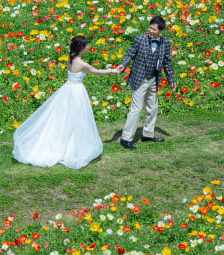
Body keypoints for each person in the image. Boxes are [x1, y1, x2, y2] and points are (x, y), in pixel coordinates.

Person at [12, 35, 119, 169]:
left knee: (64, 117)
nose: (88, 47)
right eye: (86, 45)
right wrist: (113, 71)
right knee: (77, 118)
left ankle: (67, 142)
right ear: (81, 47)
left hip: (67, 89)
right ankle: (72, 147)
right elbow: (96, 71)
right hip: (76, 92)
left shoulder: (71, 59)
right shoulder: (81, 63)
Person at [117, 15, 176, 150]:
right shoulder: (140, 39)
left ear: (160, 31)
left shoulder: (165, 43)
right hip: (139, 79)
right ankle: (126, 138)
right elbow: (129, 54)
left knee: (152, 107)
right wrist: (123, 65)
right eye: (150, 27)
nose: (150, 31)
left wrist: (171, 80)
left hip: (153, 79)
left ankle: (148, 134)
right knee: (136, 109)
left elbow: (167, 63)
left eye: (154, 29)